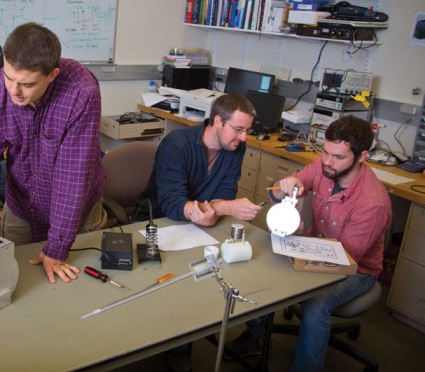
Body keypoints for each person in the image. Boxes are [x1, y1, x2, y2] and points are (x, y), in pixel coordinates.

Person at [226, 116, 392, 372]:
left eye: (338, 157)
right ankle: (257, 337)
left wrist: (298, 244)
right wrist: (283, 189)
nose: (327, 161)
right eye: (325, 152)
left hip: (355, 269)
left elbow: (343, 260)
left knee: (316, 305)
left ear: (362, 157)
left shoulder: (372, 203)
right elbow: (277, 193)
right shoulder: (323, 167)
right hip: (315, 247)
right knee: (260, 262)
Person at [0, 22, 106, 284]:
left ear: (52, 75)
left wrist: (57, 247)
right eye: (9, 78)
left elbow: (72, 180)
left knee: (76, 290)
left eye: (26, 84)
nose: (14, 91)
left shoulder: (81, 92)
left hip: (78, 212)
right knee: (13, 282)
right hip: (21, 205)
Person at [143, 93, 262, 226]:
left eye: (247, 130)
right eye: (238, 129)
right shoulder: (177, 144)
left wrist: (215, 212)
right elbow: (173, 204)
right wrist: (228, 208)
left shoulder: (235, 147)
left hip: (200, 225)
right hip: (159, 222)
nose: (243, 138)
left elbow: (225, 194)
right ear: (218, 121)